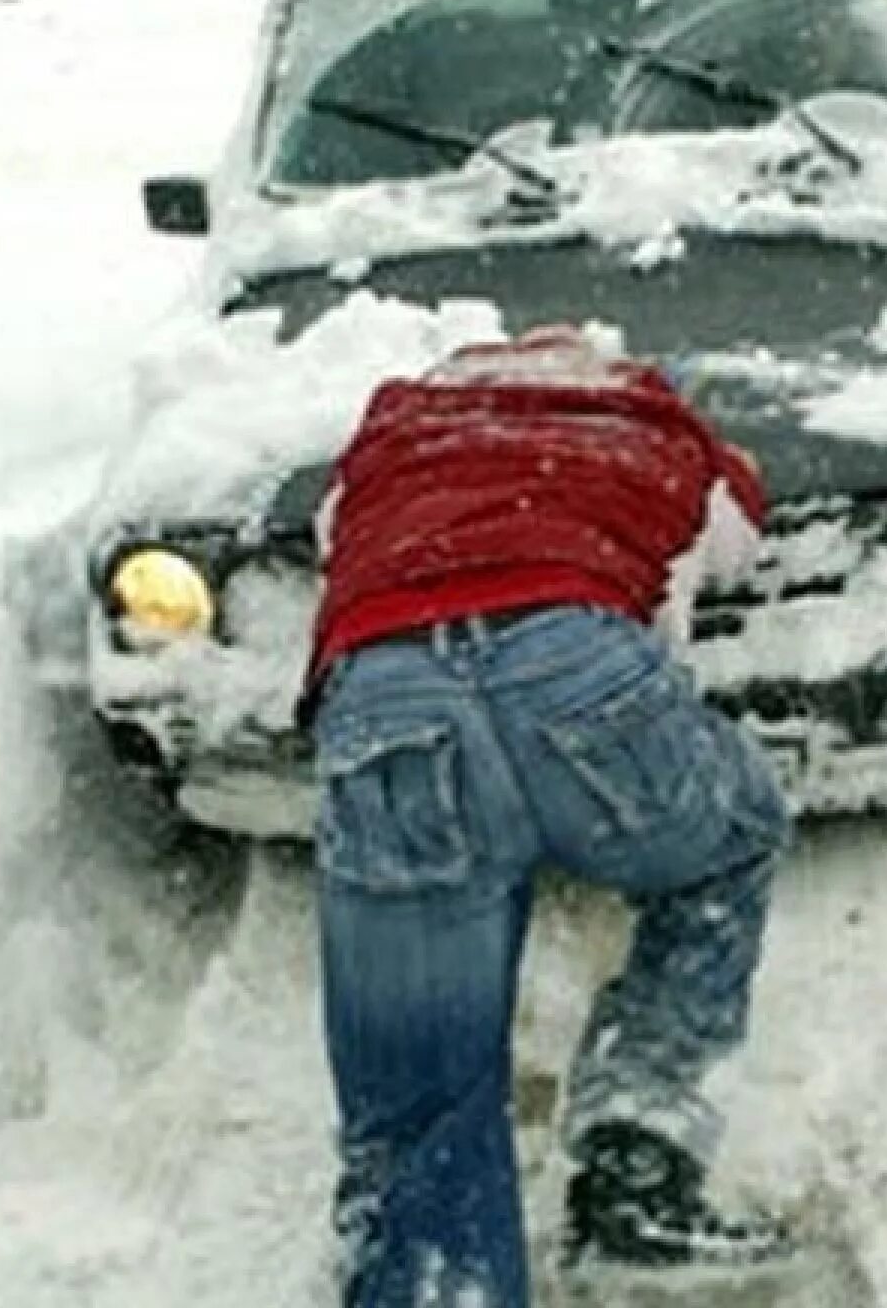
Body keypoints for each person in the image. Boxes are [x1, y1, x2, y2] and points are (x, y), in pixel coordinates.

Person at [300, 323, 794, 1307]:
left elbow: (335, 540)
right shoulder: (649, 419)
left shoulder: (394, 435)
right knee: (729, 835)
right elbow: (730, 540)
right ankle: (636, 1162)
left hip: (386, 698)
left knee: (419, 1109)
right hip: (575, 658)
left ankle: (436, 1280)